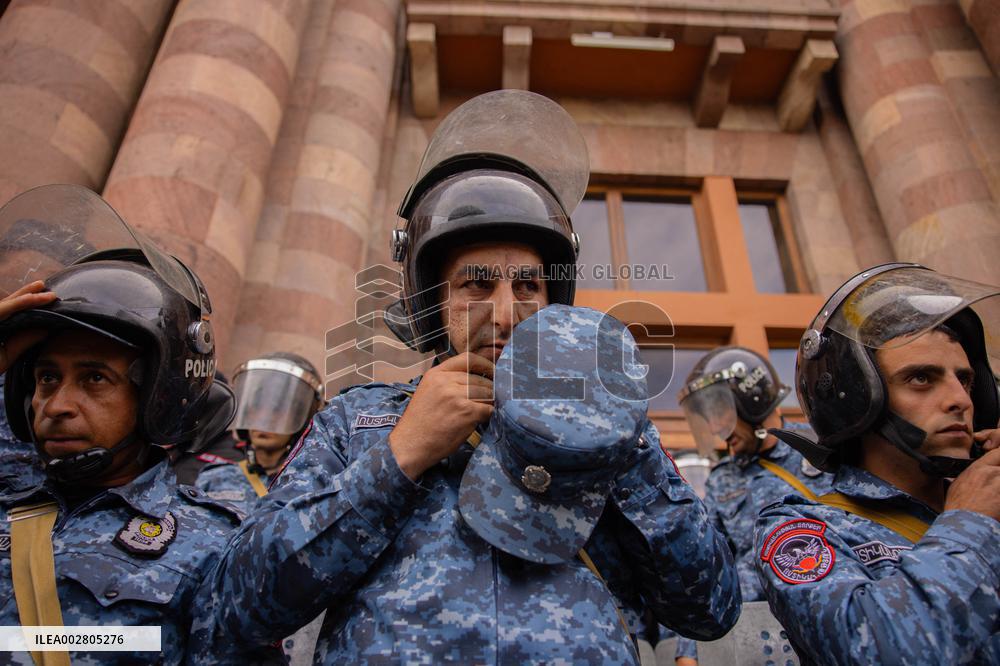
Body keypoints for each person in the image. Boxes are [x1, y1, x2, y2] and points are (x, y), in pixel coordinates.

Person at [209, 90, 741, 663]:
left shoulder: (615, 429)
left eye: (528, 287)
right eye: (476, 284)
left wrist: (625, 445)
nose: (507, 311)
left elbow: (709, 609)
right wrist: (398, 458)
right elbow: (242, 606)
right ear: (434, 300)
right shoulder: (354, 423)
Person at [0, 184, 278, 664]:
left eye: (94, 379)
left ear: (158, 396)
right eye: (46, 378)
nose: (57, 405)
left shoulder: (216, 542)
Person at [753, 262, 1000, 664]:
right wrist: (972, 522)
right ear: (858, 398)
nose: (961, 400)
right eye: (922, 378)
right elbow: (880, 652)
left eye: (966, 380)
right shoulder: (803, 529)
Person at [674, 347, 833, 664]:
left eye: (719, 412)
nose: (716, 427)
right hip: (768, 641)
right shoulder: (723, 480)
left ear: (752, 398)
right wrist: (688, 649)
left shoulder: (824, 450)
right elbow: (713, 569)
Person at [196, 352, 324, 513]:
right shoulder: (214, 478)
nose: (265, 419)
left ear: (303, 418)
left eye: (278, 409)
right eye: (257, 407)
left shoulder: (311, 487)